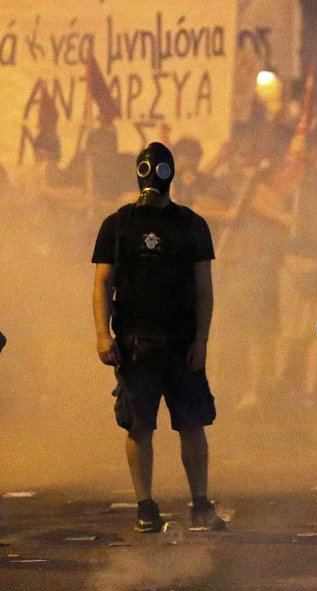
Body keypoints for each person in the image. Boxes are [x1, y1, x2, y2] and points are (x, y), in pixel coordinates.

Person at [92, 142, 225, 532]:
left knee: (192, 424)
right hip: (135, 344)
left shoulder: (192, 225)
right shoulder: (116, 225)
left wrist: (201, 341)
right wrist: (103, 335)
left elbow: (205, 289)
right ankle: (145, 506)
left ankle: (200, 502)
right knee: (139, 425)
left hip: (181, 343)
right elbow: (102, 283)